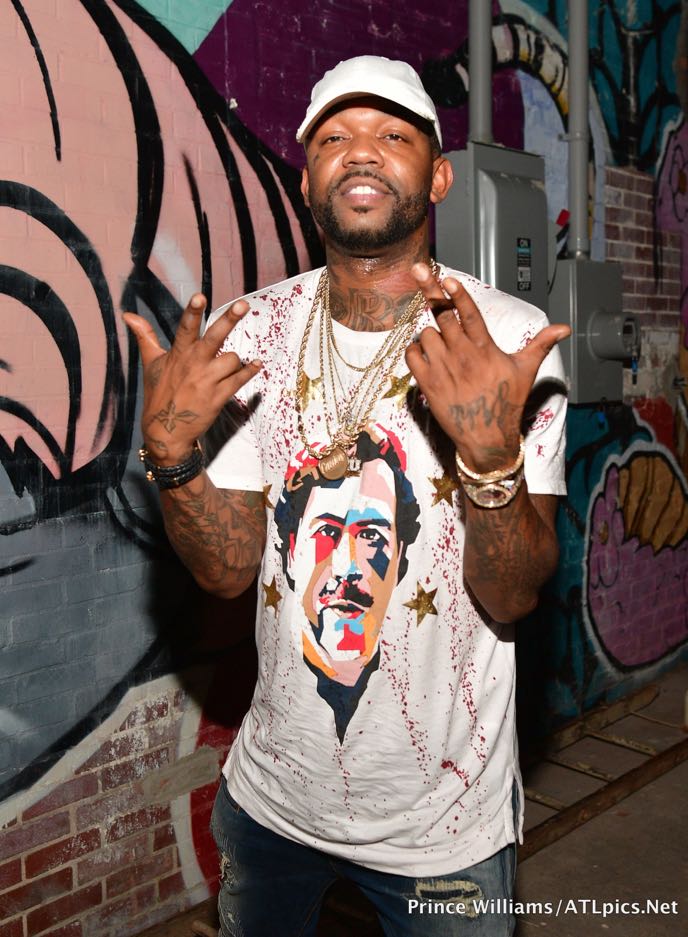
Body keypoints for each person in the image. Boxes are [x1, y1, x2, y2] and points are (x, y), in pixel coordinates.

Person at [125, 55, 570, 937]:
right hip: (271, 805)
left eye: (393, 134)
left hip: (443, 828)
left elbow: (513, 594)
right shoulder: (252, 335)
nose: (361, 152)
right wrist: (172, 458)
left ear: (438, 176)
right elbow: (226, 573)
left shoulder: (507, 341)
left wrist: (490, 462)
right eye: (334, 137)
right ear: (306, 181)